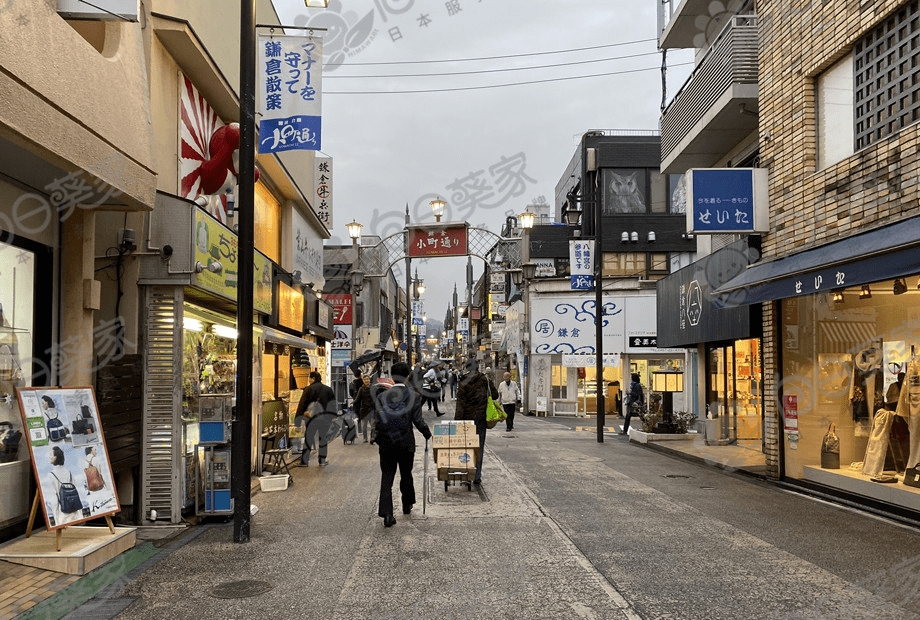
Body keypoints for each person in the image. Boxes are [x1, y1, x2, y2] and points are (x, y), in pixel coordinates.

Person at [371, 361, 432, 527]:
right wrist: (427, 434)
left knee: (387, 478)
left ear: (392, 377)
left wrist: (377, 438)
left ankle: (387, 514)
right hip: (405, 443)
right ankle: (407, 504)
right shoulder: (413, 396)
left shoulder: (382, 396)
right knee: (406, 473)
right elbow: (418, 420)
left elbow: (377, 420)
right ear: (407, 376)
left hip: (387, 443)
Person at [455, 359, 498, 485]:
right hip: (481, 418)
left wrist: (457, 421)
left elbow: (460, 403)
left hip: (467, 420)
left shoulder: (464, 380)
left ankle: (467, 475)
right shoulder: (485, 380)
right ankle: (477, 476)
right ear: (478, 367)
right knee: (479, 446)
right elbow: (495, 395)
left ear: (467, 368)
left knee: (466, 447)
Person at [295, 371, 337, 466]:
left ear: (313, 379)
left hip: (311, 419)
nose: (309, 380)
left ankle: (304, 461)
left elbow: (302, 404)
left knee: (308, 438)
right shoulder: (328, 390)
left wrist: (297, 420)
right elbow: (332, 404)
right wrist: (333, 417)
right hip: (324, 419)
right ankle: (322, 460)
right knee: (323, 439)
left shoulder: (308, 389)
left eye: (309, 378)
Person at [354, 375, 376, 443]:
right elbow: (357, 399)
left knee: (373, 426)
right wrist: (353, 403)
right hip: (364, 409)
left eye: (367, 379)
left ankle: (372, 438)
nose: (366, 381)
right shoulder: (361, 389)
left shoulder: (373, 388)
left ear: (369, 380)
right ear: (363, 381)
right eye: (365, 380)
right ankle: (365, 438)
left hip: (372, 409)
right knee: (364, 426)